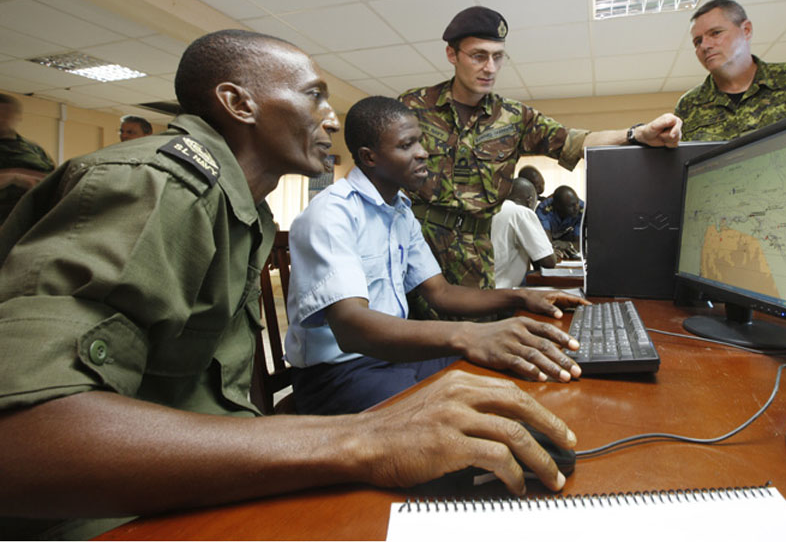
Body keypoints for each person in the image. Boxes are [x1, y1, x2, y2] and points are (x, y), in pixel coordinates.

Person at [0, 31, 577, 540]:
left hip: (185, 479)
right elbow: (22, 440)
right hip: (110, 516)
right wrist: (362, 439)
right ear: (237, 102)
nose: (330, 118)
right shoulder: (160, 186)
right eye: (313, 94)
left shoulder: (241, 209)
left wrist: (516, 301)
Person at [285, 96, 584, 416]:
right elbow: (352, 327)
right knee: (476, 418)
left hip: (393, 358)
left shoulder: (400, 212)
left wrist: (522, 297)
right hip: (337, 376)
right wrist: (469, 334)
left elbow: (441, 293)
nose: (423, 153)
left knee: (519, 379)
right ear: (369, 157)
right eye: (407, 145)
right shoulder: (333, 213)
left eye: (420, 142)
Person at [399, 6, 682, 313]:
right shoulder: (413, 106)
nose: (490, 67)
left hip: (474, 256)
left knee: (472, 342)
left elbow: (574, 140)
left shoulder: (514, 118)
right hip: (415, 245)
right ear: (452, 55)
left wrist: (636, 134)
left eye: (498, 56)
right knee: (407, 338)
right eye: (478, 56)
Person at [675, 0, 786, 141]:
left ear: (746, 30)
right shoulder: (689, 105)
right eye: (697, 41)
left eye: (715, 33)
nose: (705, 46)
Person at [0, 93, 55, 226]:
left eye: (7, 114)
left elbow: (54, 179)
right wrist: (14, 176)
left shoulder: (33, 149)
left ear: (17, 117)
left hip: (32, 220)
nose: (2, 119)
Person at [492, 177, 557, 288]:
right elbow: (549, 262)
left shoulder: (494, 209)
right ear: (530, 200)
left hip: (485, 285)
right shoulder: (521, 212)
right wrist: (553, 251)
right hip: (504, 288)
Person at [536, 185, 584, 259]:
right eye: (571, 206)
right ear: (558, 206)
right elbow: (546, 244)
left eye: (577, 203)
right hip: (549, 238)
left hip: (567, 237)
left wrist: (567, 245)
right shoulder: (544, 210)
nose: (576, 208)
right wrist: (555, 248)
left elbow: (580, 243)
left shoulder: (582, 210)